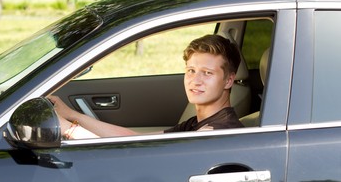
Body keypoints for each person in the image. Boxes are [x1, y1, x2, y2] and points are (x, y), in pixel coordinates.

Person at [48, 34, 243, 139]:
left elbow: (134, 157)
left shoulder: (214, 133)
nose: (195, 80)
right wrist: (71, 115)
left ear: (228, 80)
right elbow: (132, 138)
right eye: (191, 70)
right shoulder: (196, 123)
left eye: (207, 73)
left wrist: (67, 129)